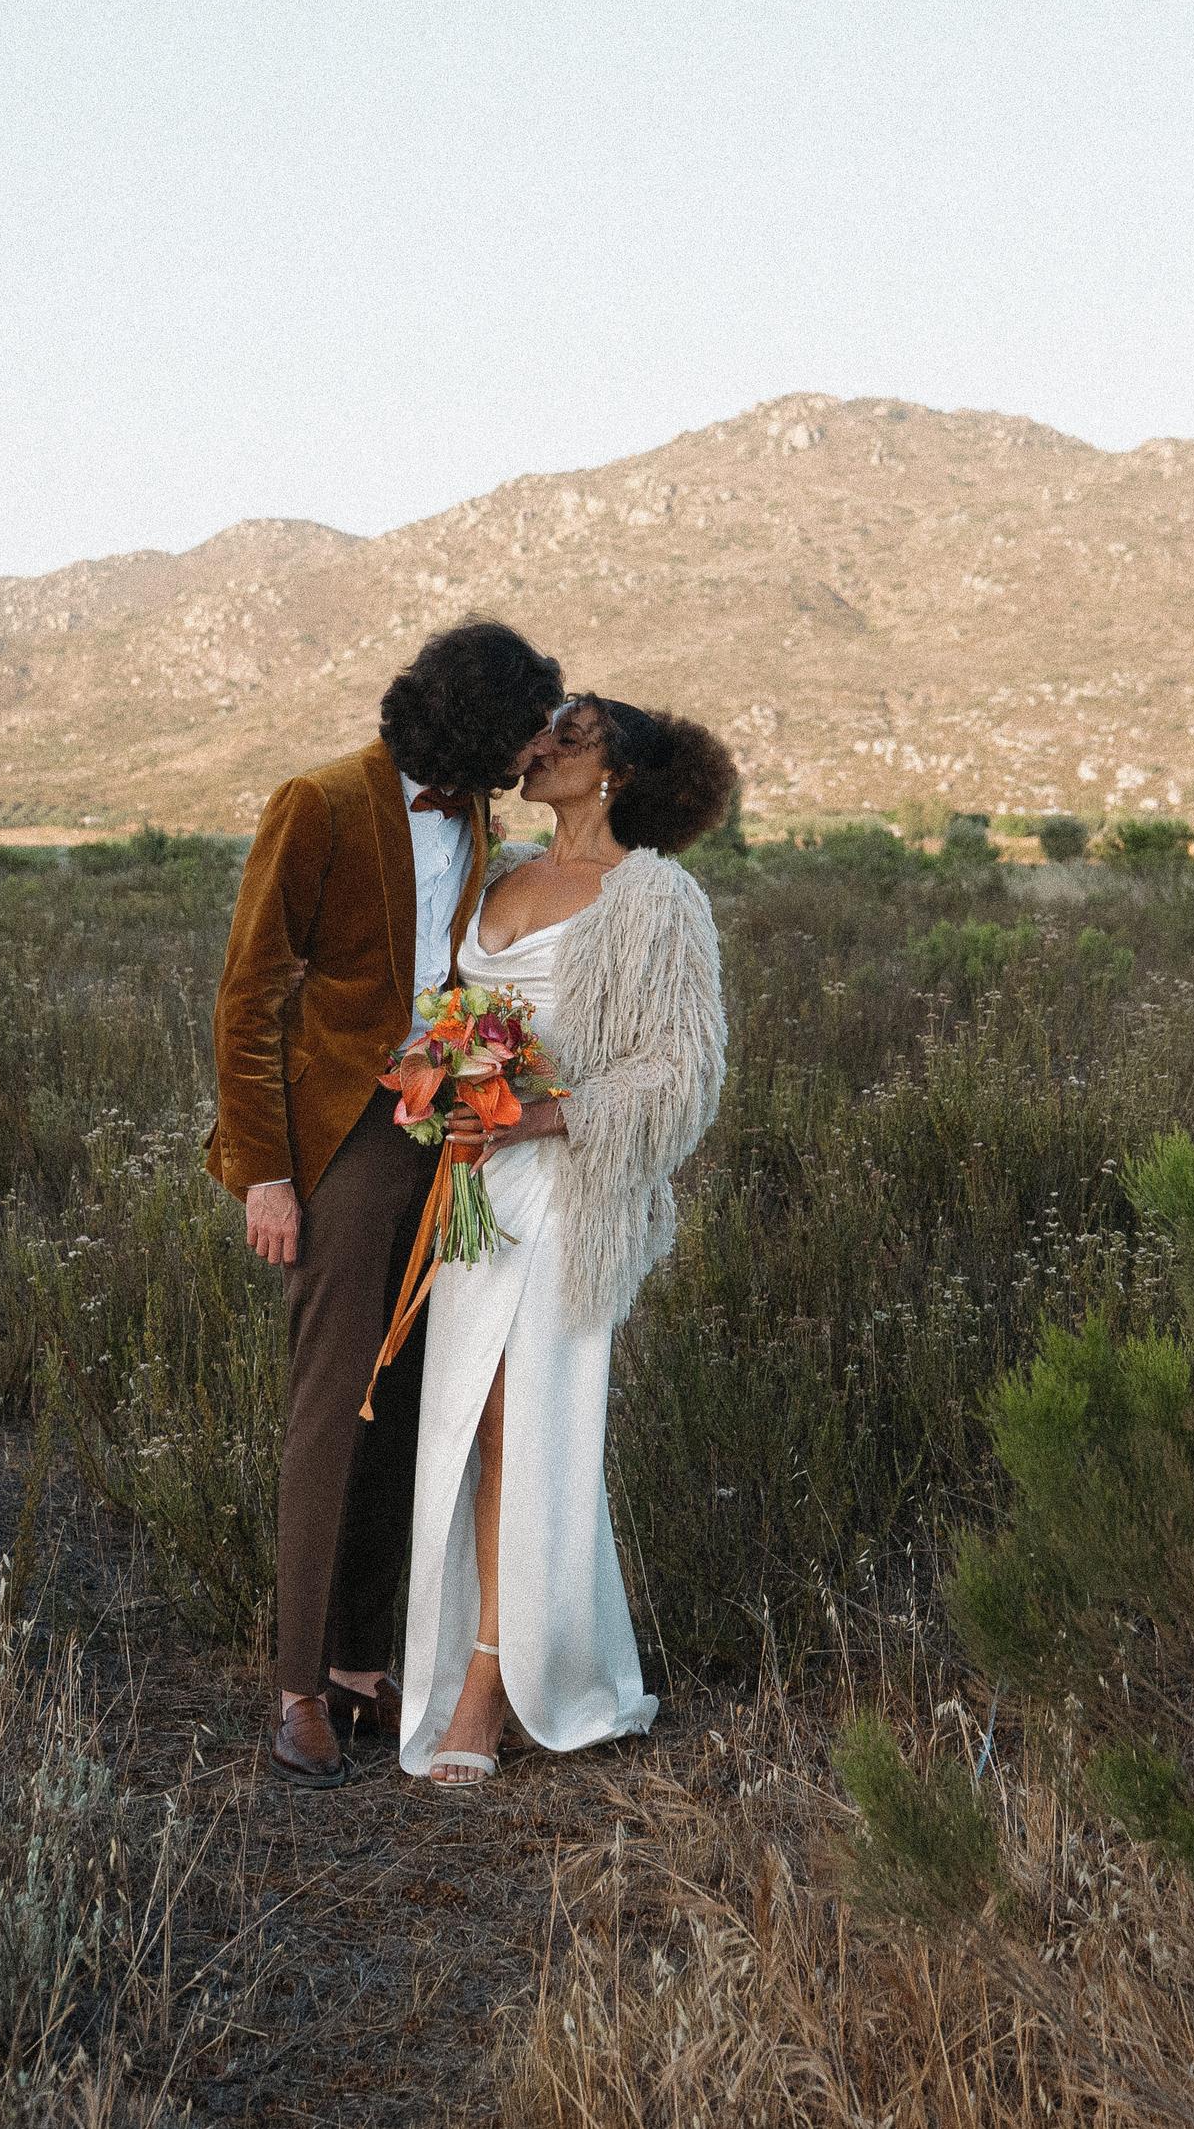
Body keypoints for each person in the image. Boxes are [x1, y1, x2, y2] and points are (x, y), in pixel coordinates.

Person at [207, 618, 565, 1787]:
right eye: (520, 724)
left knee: (406, 1395)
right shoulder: (316, 802)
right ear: (471, 719)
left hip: (443, 1120)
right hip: (345, 1131)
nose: (532, 748)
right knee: (330, 1401)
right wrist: (266, 1169)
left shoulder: (466, 811)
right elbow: (248, 994)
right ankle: (298, 1685)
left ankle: (367, 1657)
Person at [393, 691, 737, 1786]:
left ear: (617, 774)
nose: (532, 749)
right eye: (536, 731)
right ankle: (504, 1654)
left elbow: (683, 1069)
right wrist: (432, 1073)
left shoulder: (656, 897)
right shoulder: (496, 878)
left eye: (565, 740)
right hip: (471, 1192)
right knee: (471, 1425)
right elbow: (438, 1004)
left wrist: (541, 1114)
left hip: (565, 1190)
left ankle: (491, 1691)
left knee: (518, 1418)